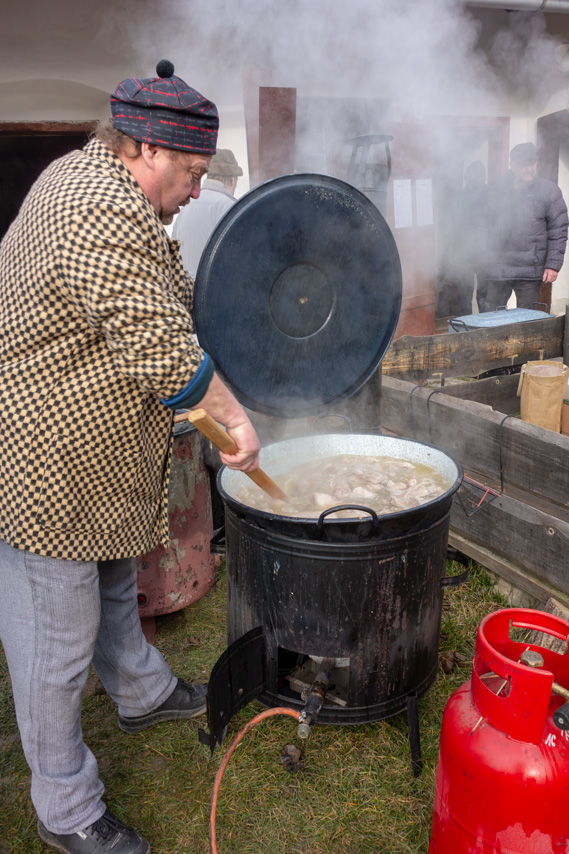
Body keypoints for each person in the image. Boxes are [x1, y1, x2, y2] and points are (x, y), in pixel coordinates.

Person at [0, 60, 260, 854]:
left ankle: (142, 692)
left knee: (116, 578)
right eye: (188, 173)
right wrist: (235, 426)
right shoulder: (96, 210)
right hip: (48, 461)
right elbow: (160, 348)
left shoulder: (87, 175)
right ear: (143, 147)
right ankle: (66, 806)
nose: (192, 191)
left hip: (97, 453)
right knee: (54, 645)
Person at [478, 141, 568, 313]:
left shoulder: (549, 191)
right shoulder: (496, 191)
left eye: (532, 163)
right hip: (498, 267)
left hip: (530, 269)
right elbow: (482, 225)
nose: (529, 168)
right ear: (513, 165)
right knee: (492, 317)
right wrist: (484, 256)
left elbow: (559, 230)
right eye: (524, 164)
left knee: (526, 320)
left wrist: (553, 265)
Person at [173, 148, 243, 277]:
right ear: (233, 180)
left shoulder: (185, 208)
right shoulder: (230, 208)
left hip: (183, 290)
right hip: (214, 292)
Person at [438, 160, 489, 318]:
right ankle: (482, 328)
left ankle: (471, 326)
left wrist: (447, 256)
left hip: (474, 253)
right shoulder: (488, 195)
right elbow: (451, 227)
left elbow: (450, 228)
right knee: (479, 296)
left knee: (469, 296)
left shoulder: (461, 197)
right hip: (475, 253)